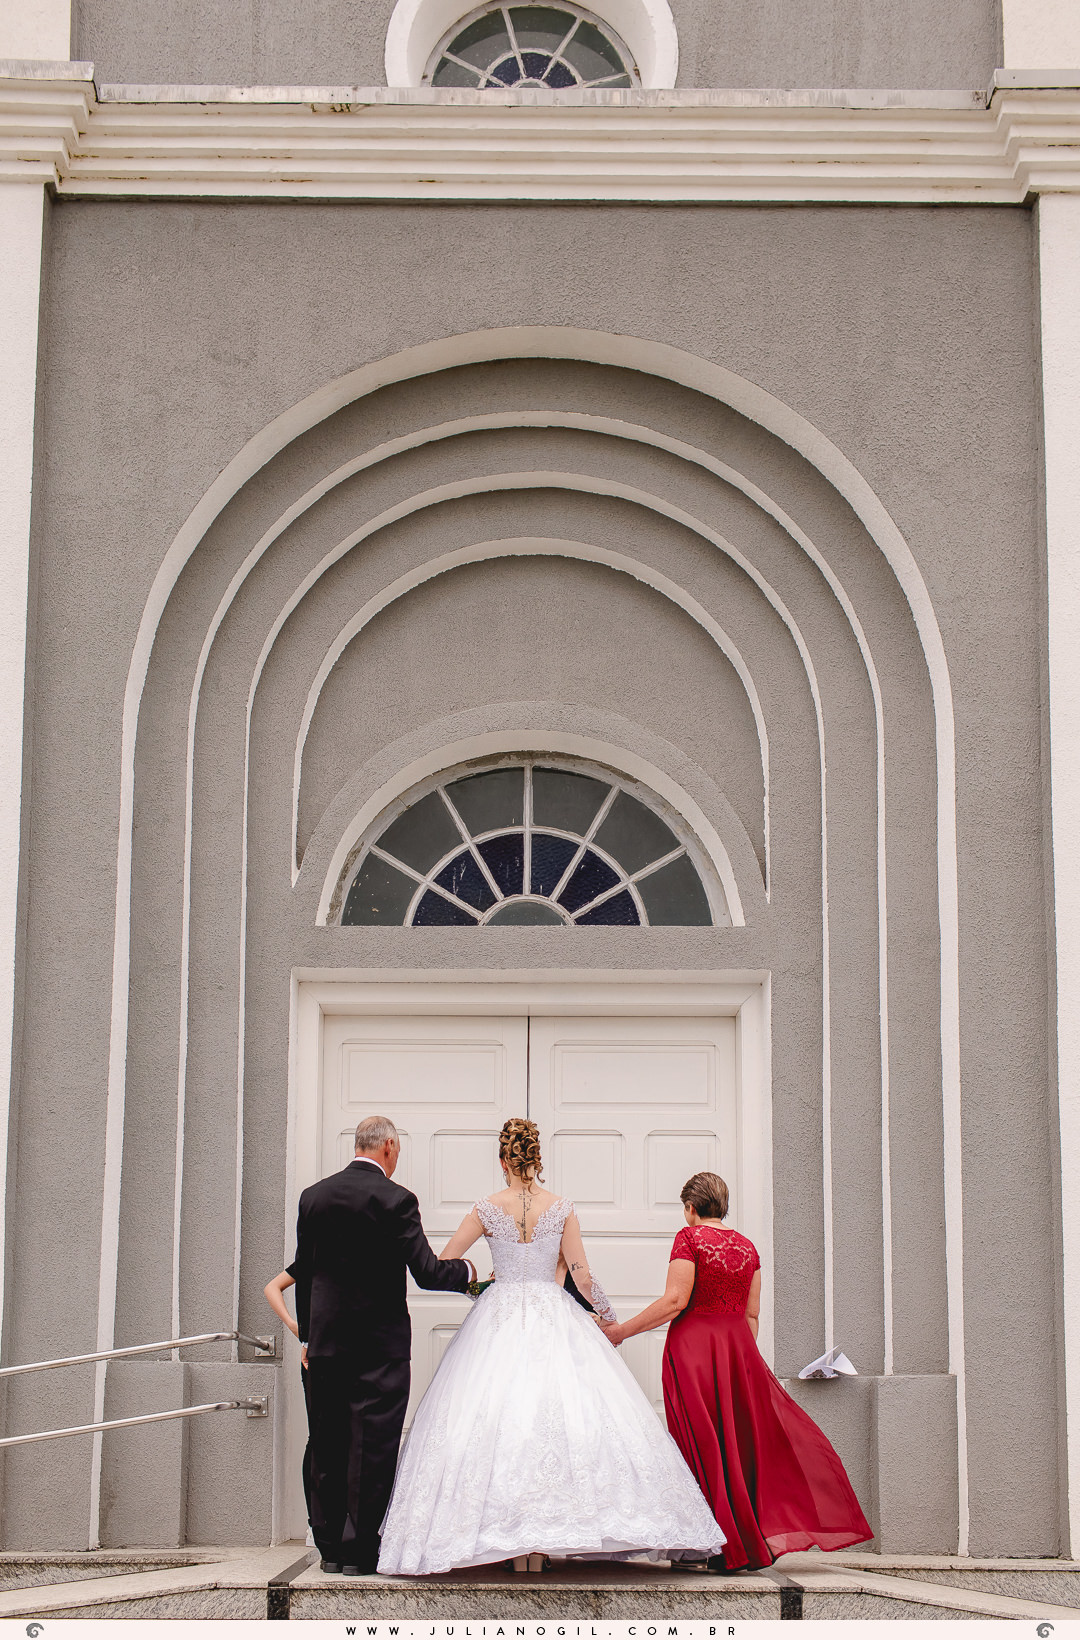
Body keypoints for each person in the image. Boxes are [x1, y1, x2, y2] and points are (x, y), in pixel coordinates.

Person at [377, 1118, 726, 1576]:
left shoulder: (486, 1207)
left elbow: (444, 1262)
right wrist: (610, 1319)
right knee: (561, 1415)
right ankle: (542, 1544)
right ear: (537, 1160)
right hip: (552, 1310)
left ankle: (510, 1545)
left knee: (496, 1417)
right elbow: (582, 1274)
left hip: (497, 1314)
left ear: (503, 1161)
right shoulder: (560, 1208)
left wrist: (477, 1286)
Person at [600, 1170, 873, 1571]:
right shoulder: (747, 1247)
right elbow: (752, 1313)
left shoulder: (689, 1238)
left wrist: (620, 1331)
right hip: (737, 1353)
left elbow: (676, 1300)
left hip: (693, 1351)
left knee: (699, 1442)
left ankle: (708, 1543)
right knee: (734, 1443)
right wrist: (740, 1359)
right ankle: (734, 1539)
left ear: (691, 1208)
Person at [291, 1114, 476, 1575]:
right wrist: (469, 1274)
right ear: (389, 1148)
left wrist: (309, 1337)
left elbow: (304, 1274)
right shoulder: (396, 1199)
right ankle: (360, 1551)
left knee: (327, 1443)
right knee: (371, 1447)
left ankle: (330, 1548)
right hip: (379, 1348)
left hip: (327, 1346)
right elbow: (429, 1273)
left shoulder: (313, 1197)